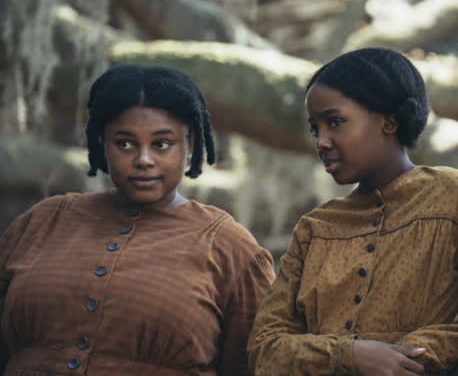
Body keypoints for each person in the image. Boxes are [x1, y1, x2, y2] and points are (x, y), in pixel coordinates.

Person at [248, 48, 458, 376]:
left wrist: (410, 356)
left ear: (388, 121)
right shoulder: (316, 228)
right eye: (315, 129)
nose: (321, 141)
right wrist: (350, 355)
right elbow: (265, 347)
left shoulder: (456, 197)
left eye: (334, 122)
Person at [0, 64, 276, 375]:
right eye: (125, 143)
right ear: (103, 144)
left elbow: (258, 364)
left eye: (161, 144)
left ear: (190, 148)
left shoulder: (230, 248)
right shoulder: (44, 221)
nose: (143, 160)